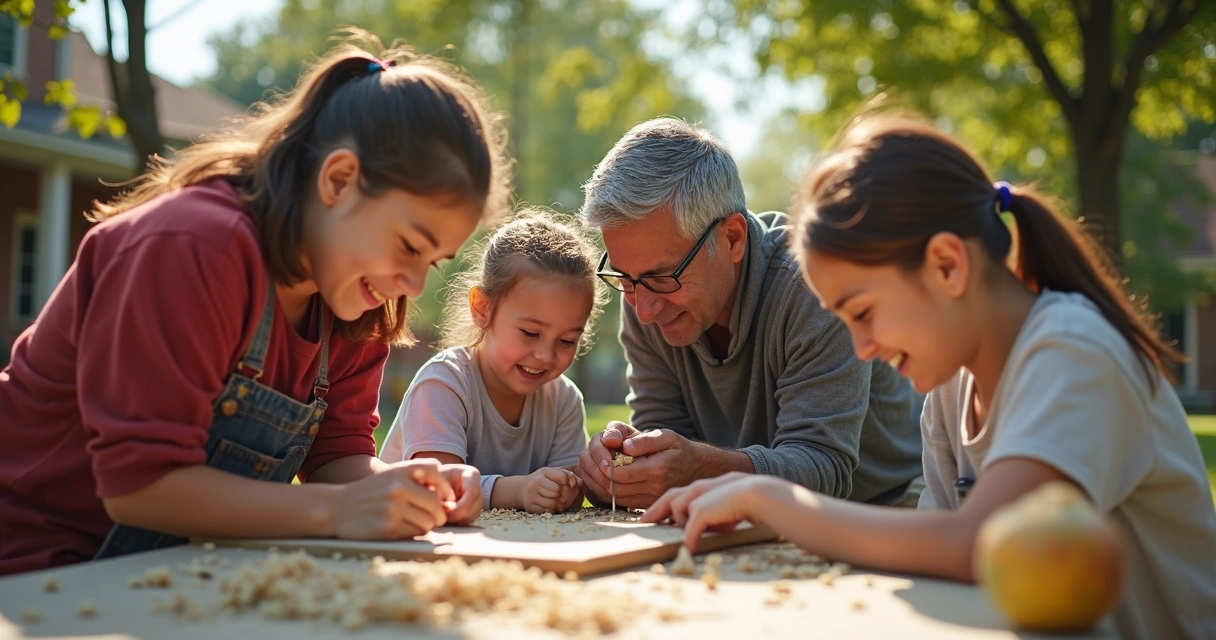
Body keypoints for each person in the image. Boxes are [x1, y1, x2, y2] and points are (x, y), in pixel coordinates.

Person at [643, 110, 1216, 639]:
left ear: (947, 265)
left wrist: (772, 499)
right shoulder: (950, 386)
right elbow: (934, 564)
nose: (863, 348)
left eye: (864, 312)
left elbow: (978, 547)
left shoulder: (1072, 352)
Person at [0, 32, 511, 576]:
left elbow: (336, 458)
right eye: (409, 245)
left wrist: (412, 490)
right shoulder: (193, 247)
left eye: (432, 262)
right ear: (339, 180)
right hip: (37, 570)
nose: (411, 284)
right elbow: (139, 487)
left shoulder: (356, 300)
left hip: (177, 572)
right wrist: (339, 511)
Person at [575, 117, 924, 509]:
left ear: (732, 238)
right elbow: (666, 437)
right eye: (624, 277)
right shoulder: (646, 293)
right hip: (743, 513)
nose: (644, 310)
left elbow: (824, 471)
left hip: (886, 506)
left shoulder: (814, 288)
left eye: (662, 277)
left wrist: (698, 469)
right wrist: (624, 465)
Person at [380, 210, 607, 513]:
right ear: (482, 308)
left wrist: (571, 487)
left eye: (567, 340)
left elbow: (569, 493)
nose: (546, 355)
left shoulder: (563, 400)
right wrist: (518, 491)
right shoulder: (443, 384)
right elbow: (438, 489)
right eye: (530, 333)